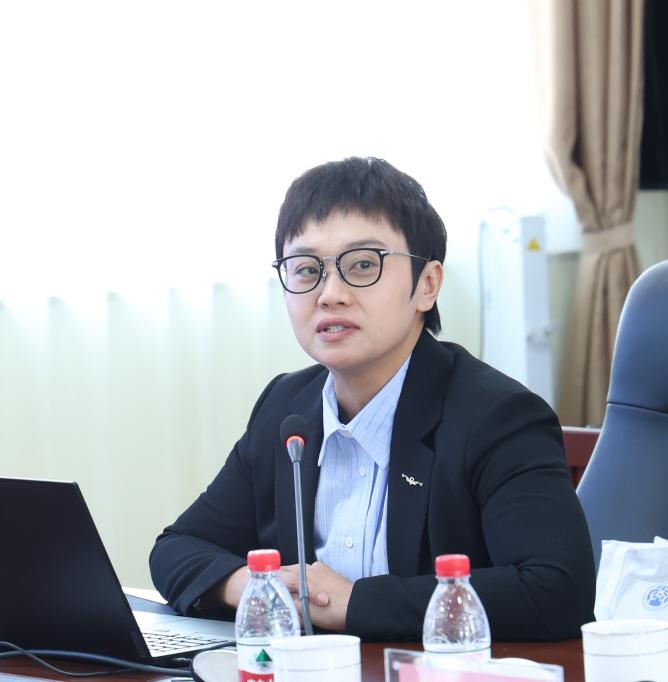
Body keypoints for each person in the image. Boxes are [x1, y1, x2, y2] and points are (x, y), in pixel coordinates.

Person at [148, 157, 595, 640]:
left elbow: (556, 590)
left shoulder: (497, 417)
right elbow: (178, 548)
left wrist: (356, 604)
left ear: (427, 285)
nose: (329, 294)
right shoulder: (286, 407)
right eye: (306, 269)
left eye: (363, 264)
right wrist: (259, 587)